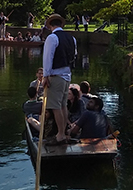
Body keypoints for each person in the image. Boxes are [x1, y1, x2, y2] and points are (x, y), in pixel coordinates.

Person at [42, 14, 76, 145]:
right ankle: (63, 133)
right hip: (67, 75)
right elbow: (74, 56)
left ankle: (60, 135)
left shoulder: (52, 37)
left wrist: (46, 76)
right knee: (63, 105)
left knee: (56, 106)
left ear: (50, 26)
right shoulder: (72, 38)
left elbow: (48, 58)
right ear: (61, 25)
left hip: (56, 76)